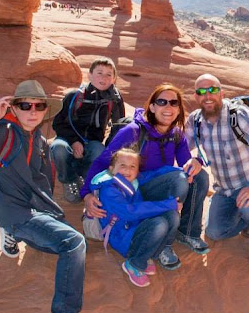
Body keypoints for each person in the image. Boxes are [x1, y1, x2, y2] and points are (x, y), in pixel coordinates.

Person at [0, 80, 86, 313]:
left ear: (46, 110)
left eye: (39, 106)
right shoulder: (3, 132)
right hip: (16, 213)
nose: (33, 111)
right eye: (25, 105)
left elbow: (42, 180)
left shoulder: (39, 139)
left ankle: (16, 234)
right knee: (74, 243)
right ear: (13, 108)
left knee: (68, 243)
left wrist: (52, 212)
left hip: (36, 211)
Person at [81, 83, 210, 270]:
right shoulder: (133, 131)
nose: (168, 107)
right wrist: (86, 194)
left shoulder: (177, 135)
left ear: (178, 109)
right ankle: (165, 244)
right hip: (133, 191)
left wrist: (196, 162)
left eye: (174, 103)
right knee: (180, 179)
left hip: (156, 187)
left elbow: (186, 166)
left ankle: (188, 231)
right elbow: (103, 162)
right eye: (162, 102)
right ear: (152, 107)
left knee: (199, 177)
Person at [185, 74, 249, 265]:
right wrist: (195, 159)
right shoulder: (195, 121)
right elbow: (180, 147)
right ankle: (248, 221)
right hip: (225, 189)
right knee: (214, 232)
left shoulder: (238, 116)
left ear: (221, 93)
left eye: (212, 90)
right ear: (196, 97)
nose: (207, 96)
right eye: (201, 92)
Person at [89, 148, 180, 287]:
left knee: (172, 216)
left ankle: (147, 254)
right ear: (111, 169)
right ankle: (134, 263)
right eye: (122, 166)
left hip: (134, 229)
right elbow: (130, 212)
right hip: (121, 237)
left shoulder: (132, 182)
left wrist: (181, 170)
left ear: (137, 171)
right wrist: (167, 204)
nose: (127, 170)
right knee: (160, 223)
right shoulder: (109, 190)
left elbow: (155, 173)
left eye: (132, 166)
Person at [51, 57, 125, 204]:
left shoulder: (114, 99)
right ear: (89, 75)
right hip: (68, 138)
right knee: (58, 148)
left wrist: (110, 148)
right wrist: (73, 141)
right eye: (99, 73)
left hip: (92, 141)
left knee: (99, 151)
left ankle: (86, 178)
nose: (103, 78)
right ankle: (69, 180)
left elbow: (118, 126)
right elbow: (58, 123)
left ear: (114, 79)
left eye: (108, 74)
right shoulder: (74, 96)